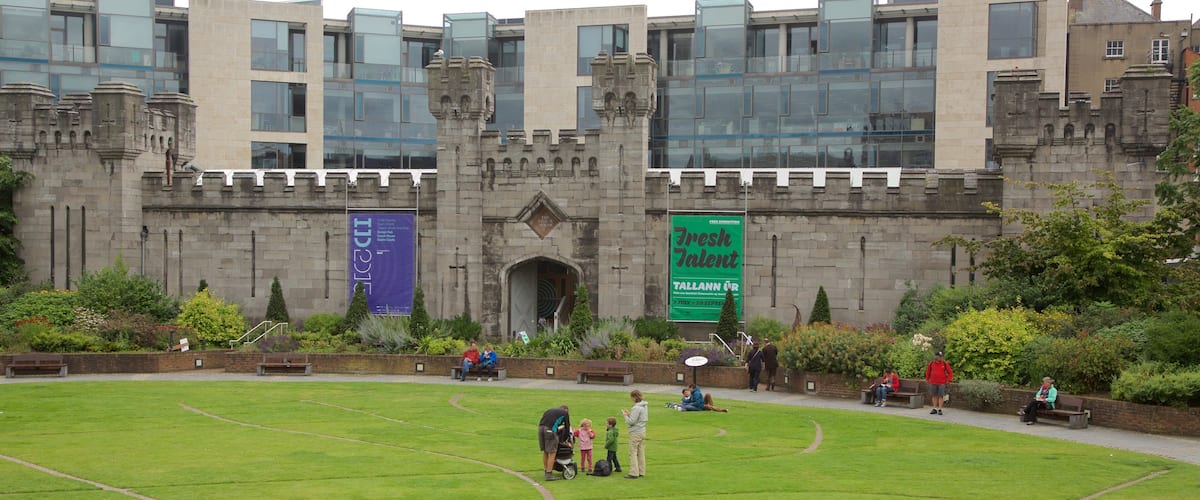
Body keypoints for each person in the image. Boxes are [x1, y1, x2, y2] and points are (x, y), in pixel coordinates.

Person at [538, 405, 571, 482]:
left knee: (546, 451)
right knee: (552, 452)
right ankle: (549, 474)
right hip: (549, 431)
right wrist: (565, 439)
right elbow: (567, 426)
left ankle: (546, 471)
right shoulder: (565, 413)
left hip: (540, 429)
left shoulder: (549, 410)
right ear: (566, 410)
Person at [622, 390, 648, 479]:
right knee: (641, 451)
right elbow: (638, 418)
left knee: (632, 452)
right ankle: (641, 471)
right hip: (642, 431)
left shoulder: (636, 408)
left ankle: (634, 472)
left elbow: (631, 422)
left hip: (635, 432)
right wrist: (630, 414)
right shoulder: (644, 406)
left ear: (634, 397)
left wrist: (625, 415)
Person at [924, 351, 954, 415]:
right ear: (936, 356)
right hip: (933, 382)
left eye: (941, 356)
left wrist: (949, 379)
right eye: (939, 356)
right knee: (934, 395)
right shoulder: (931, 363)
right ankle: (934, 408)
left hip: (942, 383)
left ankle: (940, 409)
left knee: (941, 396)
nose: (940, 358)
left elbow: (950, 372)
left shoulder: (944, 363)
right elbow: (928, 371)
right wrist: (927, 379)